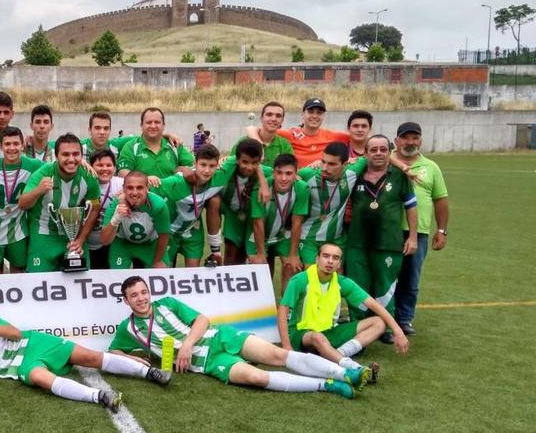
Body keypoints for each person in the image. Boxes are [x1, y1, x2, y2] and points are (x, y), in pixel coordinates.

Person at [0, 277, 172, 411]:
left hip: (32, 343)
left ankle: (150, 372)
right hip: (12, 366)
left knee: (89, 357)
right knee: (41, 379)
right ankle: (100, 397)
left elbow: (15, 333)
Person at [110, 276, 366, 398]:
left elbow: (202, 320)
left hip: (220, 337)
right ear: (125, 300)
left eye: (144, 292)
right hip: (207, 363)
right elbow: (111, 352)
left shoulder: (167, 303)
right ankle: (329, 385)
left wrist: (187, 345)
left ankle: (345, 373)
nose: (141, 298)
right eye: (134, 295)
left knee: (278, 355)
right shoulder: (128, 328)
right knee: (257, 377)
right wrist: (135, 360)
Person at [278, 243, 409, 382]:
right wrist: (287, 347)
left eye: (335, 258)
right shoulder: (299, 280)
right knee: (317, 338)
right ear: (317, 259)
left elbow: (373, 305)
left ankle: (337, 354)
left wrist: (397, 330)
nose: (330, 261)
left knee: (379, 323)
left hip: (328, 332)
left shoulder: (341, 282)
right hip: (301, 334)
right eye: (326, 256)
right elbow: (282, 312)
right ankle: (354, 368)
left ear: (339, 264)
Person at [345, 136, 418, 340]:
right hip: (357, 242)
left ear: (389, 153)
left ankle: (386, 327)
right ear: (366, 153)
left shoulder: (399, 176)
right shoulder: (356, 175)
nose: (378, 153)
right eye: (374, 149)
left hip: (389, 242)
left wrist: (412, 237)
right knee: (356, 286)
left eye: (383, 149)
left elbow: (411, 207)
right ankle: (357, 327)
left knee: (384, 287)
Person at [392, 122, 449, 336]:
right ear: (396, 141)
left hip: (419, 232)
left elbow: (441, 199)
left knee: (411, 278)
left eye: (414, 138)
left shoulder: (431, 167)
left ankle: (404, 319)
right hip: (389, 230)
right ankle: (384, 319)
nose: (410, 142)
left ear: (421, 141)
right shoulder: (386, 159)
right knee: (385, 278)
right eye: (405, 138)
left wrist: (442, 230)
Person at [18, 133, 102, 272]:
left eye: (76, 154)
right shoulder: (44, 173)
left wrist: (81, 240)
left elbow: (94, 209)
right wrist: (38, 190)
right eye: (65, 154)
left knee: (80, 283)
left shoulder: (88, 175)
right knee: (39, 284)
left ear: (82, 156)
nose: (71, 159)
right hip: (43, 234)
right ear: (56, 156)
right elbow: (22, 203)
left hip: (73, 237)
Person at [153, 145, 234, 267]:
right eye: (203, 165)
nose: (207, 170)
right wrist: (148, 179)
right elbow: (143, 189)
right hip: (169, 232)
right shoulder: (176, 183)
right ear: (195, 163)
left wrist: (228, 157)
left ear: (217, 165)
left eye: (212, 166)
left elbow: (247, 153)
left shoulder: (219, 176)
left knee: (193, 275)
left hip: (193, 233)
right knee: (165, 273)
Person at [296, 142, 368, 265]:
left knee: (336, 278)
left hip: (336, 238)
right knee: (313, 276)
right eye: (323, 162)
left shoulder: (352, 172)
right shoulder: (308, 174)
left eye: (332, 164)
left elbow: (377, 154)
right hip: (309, 237)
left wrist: (404, 167)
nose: (324, 167)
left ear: (344, 164)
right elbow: (284, 173)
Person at [246, 153, 308, 293]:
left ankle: (286, 309)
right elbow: (257, 222)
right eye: (279, 173)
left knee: (293, 267)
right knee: (259, 270)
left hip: (282, 236)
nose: (283, 178)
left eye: (288, 173)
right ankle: (262, 308)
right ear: (273, 172)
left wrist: (293, 255)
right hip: (257, 237)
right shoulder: (262, 187)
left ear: (296, 173)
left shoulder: (302, 188)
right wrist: (261, 253)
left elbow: (297, 222)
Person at [0, 126, 44, 274]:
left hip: (18, 228)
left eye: (16, 144)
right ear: (0, 146)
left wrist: (81, 161)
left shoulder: (33, 165)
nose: (12, 148)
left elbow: (55, 167)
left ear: (22, 145)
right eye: (7, 144)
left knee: (17, 270)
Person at [99, 171, 171, 269]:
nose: (134, 192)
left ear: (147, 188)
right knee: (117, 278)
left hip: (150, 244)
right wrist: (115, 219)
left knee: (159, 274)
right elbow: (104, 241)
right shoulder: (116, 204)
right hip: (123, 244)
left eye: (139, 188)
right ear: (123, 188)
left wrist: (157, 261)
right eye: (130, 188)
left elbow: (164, 235)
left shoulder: (158, 205)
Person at [216, 138, 270, 266]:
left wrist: (263, 181)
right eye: (245, 162)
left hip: (251, 216)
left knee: (246, 253)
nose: (249, 167)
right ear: (237, 159)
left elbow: (283, 175)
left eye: (254, 163)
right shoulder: (228, 165)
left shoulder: (266, 171)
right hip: (232, 213)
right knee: (231, 251)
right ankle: (227, 281)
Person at [117, 107, 194, 186]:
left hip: (173, 197)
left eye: (157, 122)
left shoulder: (175, 145)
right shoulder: (131, 147)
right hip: (143, 197)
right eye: (149, 122)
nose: (153, 126)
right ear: (141, 125)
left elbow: (194, 168)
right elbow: (123, 175)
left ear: (163, 125)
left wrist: (182, 170)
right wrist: (145, 180)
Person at [276, 98, 350, 168]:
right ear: (302, 114)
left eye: (319, 113)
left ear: (324, 116)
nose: (314, 116)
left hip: (322, 176)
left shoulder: (333, 136)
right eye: (310, 112)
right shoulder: (291, 134)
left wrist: (352, 159)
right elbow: (266, 133)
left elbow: (357, 137)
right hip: (297, 177)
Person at [86, 149, 125, 270]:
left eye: (109, 165)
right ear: (91, 166)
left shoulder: (121, 183)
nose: (105, 168)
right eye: (100, 165)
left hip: (110, 242)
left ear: (114, 168)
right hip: (84, 242)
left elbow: (140, 186)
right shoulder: (84, 182)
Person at [235, 102, 293, 167]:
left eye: (278, 116)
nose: (274, 119)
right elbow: (232, 165)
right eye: (269, 114)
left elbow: (289, 170)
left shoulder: (285, 145)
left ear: (282, 121)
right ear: (261, 118)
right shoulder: (244, 142)